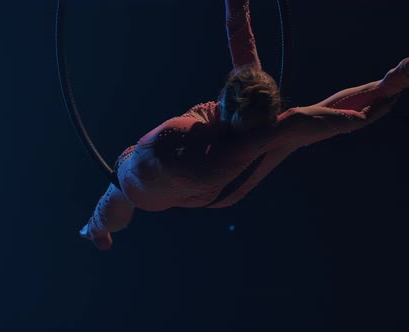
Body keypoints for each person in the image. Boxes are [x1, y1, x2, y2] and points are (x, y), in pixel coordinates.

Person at [79, 0, 409, 250]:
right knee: (297, 131)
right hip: (214, 192)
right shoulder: (268, 132)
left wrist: (367, 111)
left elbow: (236, 23)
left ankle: (97, 229)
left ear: (225, 97)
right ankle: (394, 80)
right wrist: (383, 94)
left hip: (139, 186)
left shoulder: (213, 114)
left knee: (113, 204)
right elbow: (342, 119)